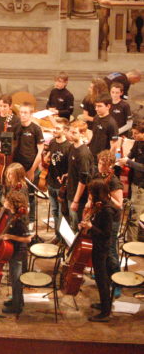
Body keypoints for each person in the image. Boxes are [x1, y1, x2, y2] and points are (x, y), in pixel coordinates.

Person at [85, 179, 117, 322]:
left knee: (102, 279)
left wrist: (91, 227)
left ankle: (105, 312)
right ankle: (104, 304)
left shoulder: (107, 211)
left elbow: (106, 234)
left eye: (91, 193)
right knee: (99, 278)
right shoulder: (100, 206)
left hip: (102, 248)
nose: (89, 196)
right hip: (97, 245)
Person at [92, 150, 123, 297]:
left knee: (110, 250)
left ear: (110, 166)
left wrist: (106, 194)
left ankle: (117, 282)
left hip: (112, 219)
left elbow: (119, 204)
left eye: (103, 164)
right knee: (101, 249)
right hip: (101, 215)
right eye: (99, 163)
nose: (100, 166)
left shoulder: (114, 181)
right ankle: (104, 273)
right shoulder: (98, 176)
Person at [0, 190, 31, 314]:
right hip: (14, 250)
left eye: (7, 200)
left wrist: (10, 237)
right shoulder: (13, 213)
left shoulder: (20, 219)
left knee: (16, 280)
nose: (5, 201)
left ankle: (16, 306)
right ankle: (18, 300)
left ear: (12, 203)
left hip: (19, 251)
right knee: (14, 278)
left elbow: (28, 238)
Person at [0, 94, 20, 208]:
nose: (2, 108)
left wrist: (10, 148)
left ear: (10, 106)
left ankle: (8, 200)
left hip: (9, 155)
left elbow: (16, 139)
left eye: (5, 106)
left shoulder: (15, 120)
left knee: (8, 178)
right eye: (0, 106)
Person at [13, 102, 44, 224]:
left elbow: (40, 151)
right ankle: (20, 218)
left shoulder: (36, 129)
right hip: (18, 168)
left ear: (31, 114)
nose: (22, 115)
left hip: (31, 167)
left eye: (25, 113)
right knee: (18, 194)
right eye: (21, 112)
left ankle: (31, 220)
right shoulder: (16, 127)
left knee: (31, 196)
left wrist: (32, 170)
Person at [44, 117, 70, 242]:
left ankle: (63, 239)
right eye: (55, 128)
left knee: (61, 214)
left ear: (65, 131)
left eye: (58, 128)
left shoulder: (68, 147)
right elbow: (49, 156)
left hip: (61, 186)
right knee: (54, 211)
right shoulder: (53, 142)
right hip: (51, 181)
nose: (55, 130)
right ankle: (57, 236)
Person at [118, 120, 144, 242]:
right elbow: (131, 154)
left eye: (136, 133)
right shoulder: (137, 142)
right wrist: (121, 159)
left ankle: (131, 243)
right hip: (134, 181)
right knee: (131, 213)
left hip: (141, 185)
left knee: (134, 216)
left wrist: (128, 162)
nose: (133, 136)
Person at [66, 121, 93, 230]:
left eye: (74, 133)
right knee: (70, 223)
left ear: (82, 134)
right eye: (70, 131)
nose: (70, 135)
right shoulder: (72, 147)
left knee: (76, 227)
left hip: (79, 198)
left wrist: (76, 201)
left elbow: (83, 180)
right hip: (71, 191)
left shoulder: (83, 154)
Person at [88, 93, 118, 160]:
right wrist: (88, 143)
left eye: (99, 106)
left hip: (102, 157)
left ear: (108, 106)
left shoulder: (111, 123)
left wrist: (109, 159)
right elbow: (94, 134)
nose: (96, 109)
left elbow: (115, 144)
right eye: (96, 106)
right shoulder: (96, 117)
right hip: (91, 153)